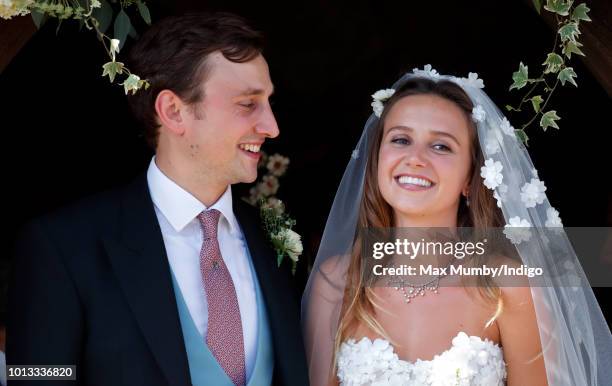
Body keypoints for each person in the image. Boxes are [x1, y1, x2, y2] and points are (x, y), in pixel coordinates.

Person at [8, 12, 308, 386]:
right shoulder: (62, 247)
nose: (272, 127)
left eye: (268, 102)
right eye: (248, 104)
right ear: (173, 111)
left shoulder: (273, 242)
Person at [302, 67, 612, 385]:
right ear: (378, 158)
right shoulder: (337, 285)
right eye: (401, 139)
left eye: (441, 146)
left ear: (469, 177)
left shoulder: (509, 288)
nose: (415, 158)